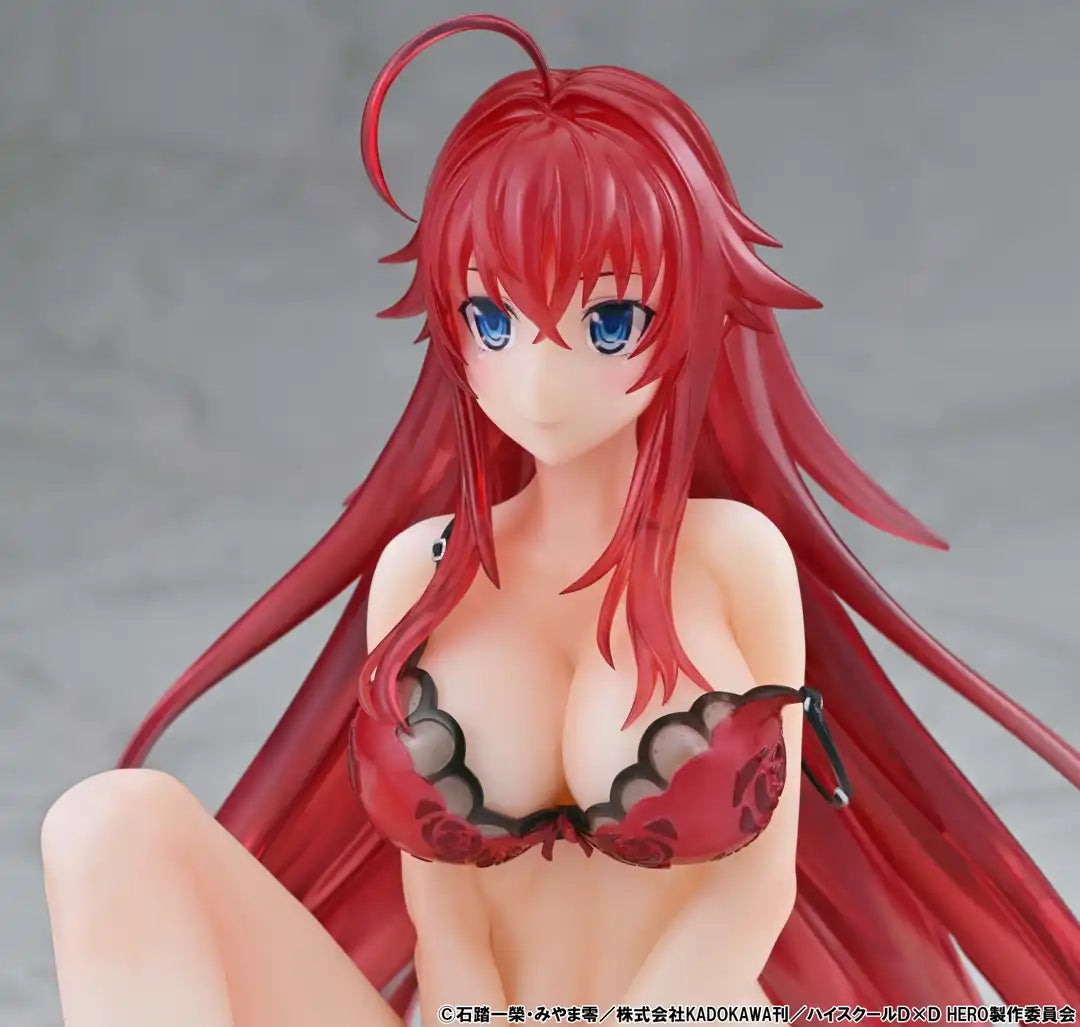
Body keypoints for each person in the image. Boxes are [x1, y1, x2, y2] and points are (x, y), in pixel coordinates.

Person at [40, 14, 1080, 1027]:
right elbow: (444, 923)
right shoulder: (419, 575)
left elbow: (747, 899)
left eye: (609, 320)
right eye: (492, 319)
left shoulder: (734, 559)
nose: (539, 382)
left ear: (691, 312)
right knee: (111, 824)